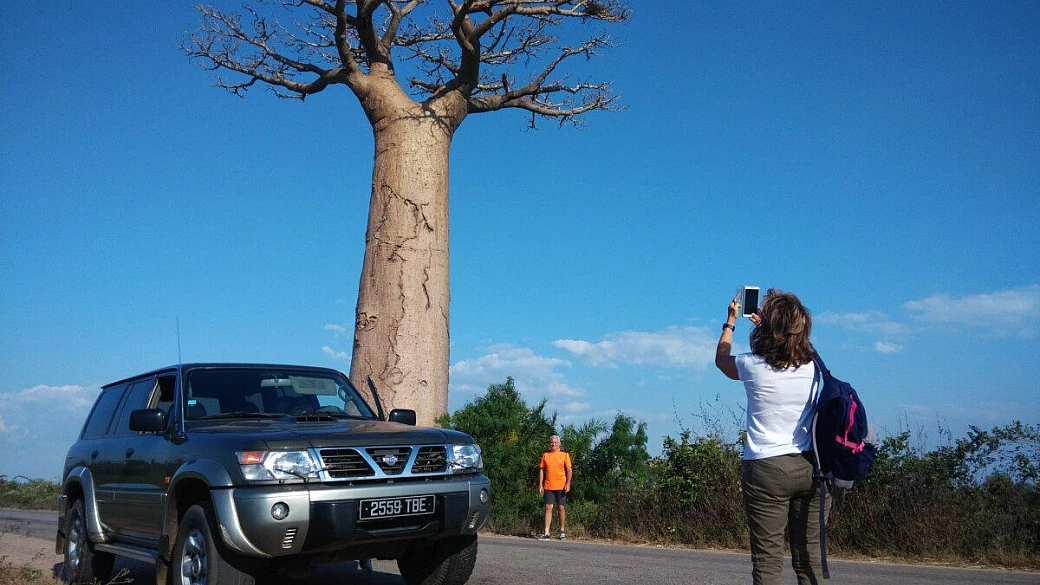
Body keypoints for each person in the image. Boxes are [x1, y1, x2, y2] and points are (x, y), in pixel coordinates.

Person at [715, 288, 830, 585]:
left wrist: (730, 322)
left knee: (767, 561)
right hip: (812, 468)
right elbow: (798, 346)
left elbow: (722, 359)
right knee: (811, 561)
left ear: (770, 328)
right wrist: (774, 329)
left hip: (766, 469)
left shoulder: (752, 365)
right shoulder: (814, 367)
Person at [538, 435, 572, 540]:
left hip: (561, 485)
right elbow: (541, 469)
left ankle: (562, 531)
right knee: (548, 507)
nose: (554, 444)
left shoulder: (564, 454)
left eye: (556, 442)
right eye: (552, 442)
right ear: (550, 443)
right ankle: (546, 533)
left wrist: (568, 483)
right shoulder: (546, 455)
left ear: (559, 443)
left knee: (561, 507)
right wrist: (540, 484)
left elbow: (569, 469)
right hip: (549, 485)